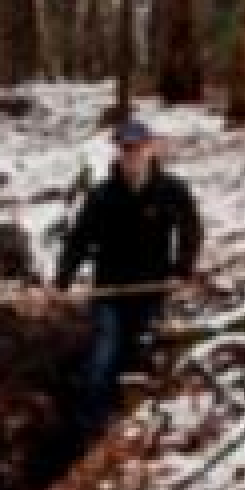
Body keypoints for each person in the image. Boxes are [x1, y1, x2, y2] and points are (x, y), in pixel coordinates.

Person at [54, 118, 203, 434]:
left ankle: (132, 430)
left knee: (140, 359)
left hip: (152, 290)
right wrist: (62, 281)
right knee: (101, 359)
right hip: (110, 293)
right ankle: (91, 431)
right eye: (125, 149)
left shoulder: (171, 190)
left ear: (150, 148)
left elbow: (191, 228)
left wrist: (183, 268)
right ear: (118, 152)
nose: (131, 155)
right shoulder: (102, 197)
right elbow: (78, 240)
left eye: (137, 148)